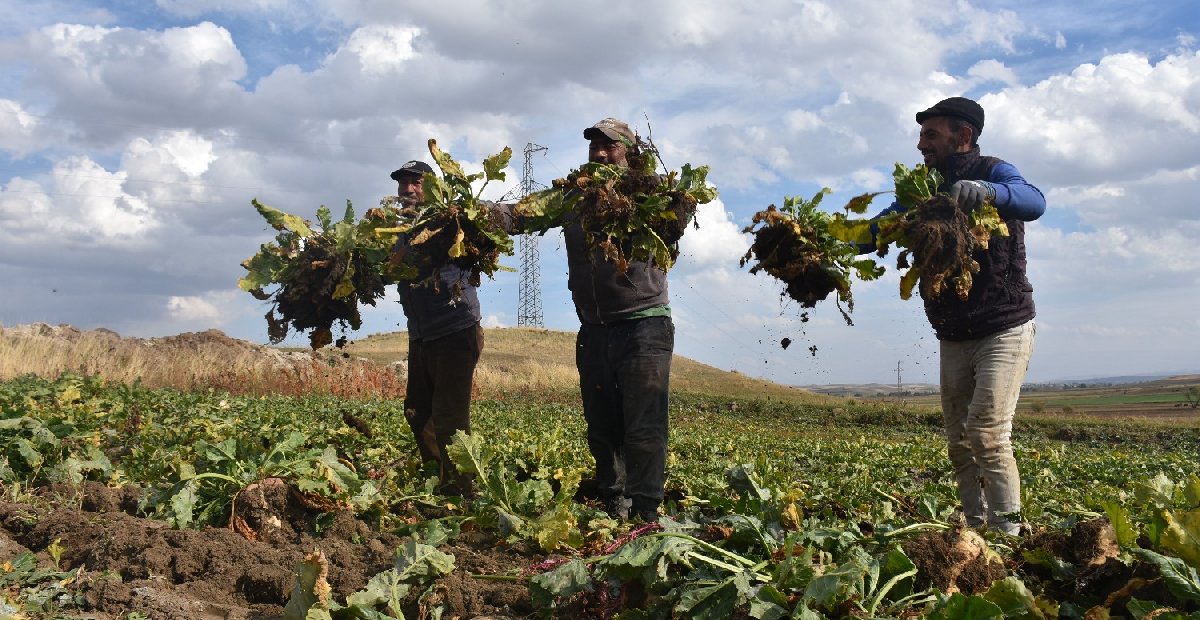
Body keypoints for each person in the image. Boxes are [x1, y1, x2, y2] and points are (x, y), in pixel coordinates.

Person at [865, 97, 1045, 534]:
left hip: (1004, 326)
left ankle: (1007, 536)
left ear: (963, 136)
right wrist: (820, 238)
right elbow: (876, 232)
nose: (921, 144)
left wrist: (989, 193)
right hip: (953, 333)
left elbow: (1033, 201)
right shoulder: (920, 190)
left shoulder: (994, 171)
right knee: (960, 444)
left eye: (931, 134)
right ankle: (974, 531)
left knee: (986, 433)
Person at [568, 118, 681, 521]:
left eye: (609, 146)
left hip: (644, 324)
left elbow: (675, 221)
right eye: (593, 145)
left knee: (644, 425)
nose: (599, 153)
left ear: (630, 154)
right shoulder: (574, 199)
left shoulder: (648, 196)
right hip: (594, 328)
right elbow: (524, 214)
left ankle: (646, 509)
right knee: (601, 424)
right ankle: (614, 499)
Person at [389, 159, 483, 496]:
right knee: (417, 413)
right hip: (422, 334)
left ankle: (463, 491)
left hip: (456, 328)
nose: (408, 189)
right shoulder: (397, 232)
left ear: (433, 187)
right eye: (403, 183)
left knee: (449, 418)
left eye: (416, 182)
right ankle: (437, 480)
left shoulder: (447, 221)